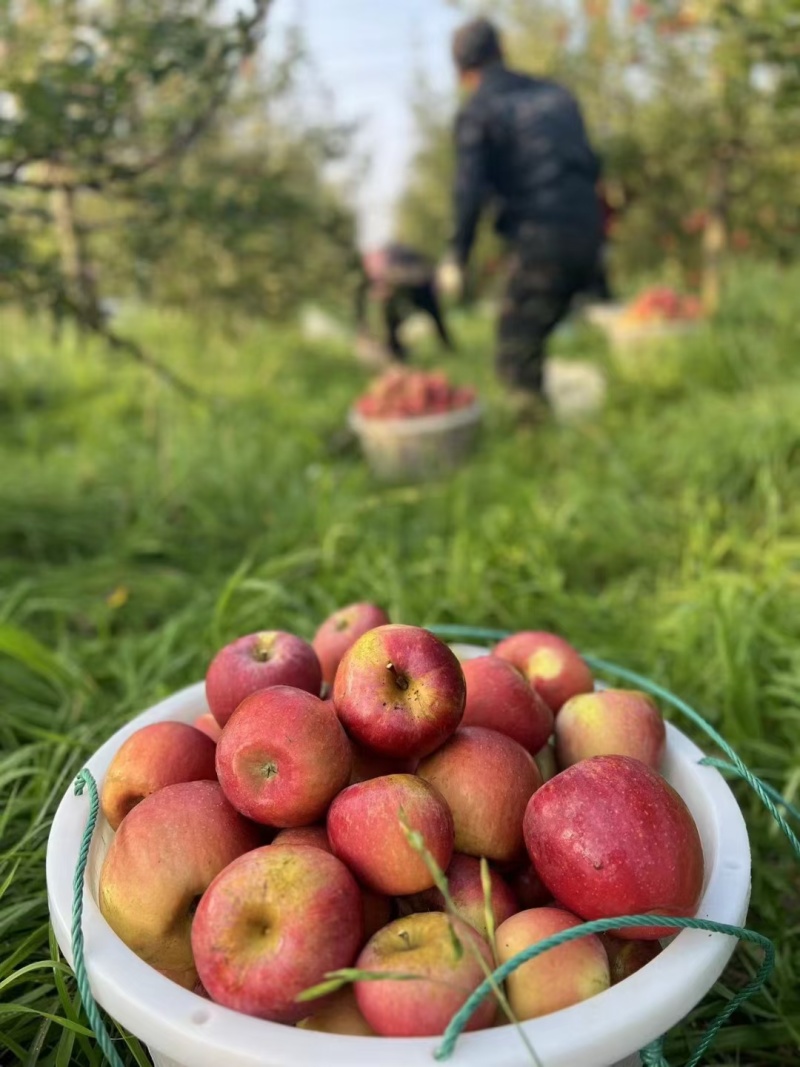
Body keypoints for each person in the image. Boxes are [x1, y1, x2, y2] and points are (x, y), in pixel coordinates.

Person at [442, 17, 603, 415]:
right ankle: (583, 414)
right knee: (547, 328)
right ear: (502, 52)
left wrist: (456, 256)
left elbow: (468, 191)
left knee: (515, 351)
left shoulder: (479, 111)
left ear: (463, 73)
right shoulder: (558, 96)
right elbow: (591, 165)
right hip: (589, 229)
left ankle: (539, 451)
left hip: (541, 236)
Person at [355, 242, 455, 364]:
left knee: (435, 316)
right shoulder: (379, 264)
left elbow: (419, 274)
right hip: (405, 291)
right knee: (392, 318)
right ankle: (397, 352)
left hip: (422, 290)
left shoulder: (400, 259)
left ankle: (447, 346)